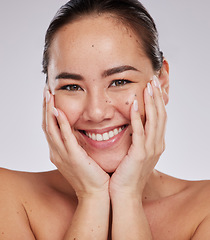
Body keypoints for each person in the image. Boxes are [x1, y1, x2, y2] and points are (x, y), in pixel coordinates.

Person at [0, 0, 210, 239]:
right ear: (48, 93)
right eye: (71, 86)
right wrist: (92, 195)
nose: (97, 112)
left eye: (120, 82)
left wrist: (128, 195)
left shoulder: (204, 209)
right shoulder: (6, 195)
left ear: (162, 84)